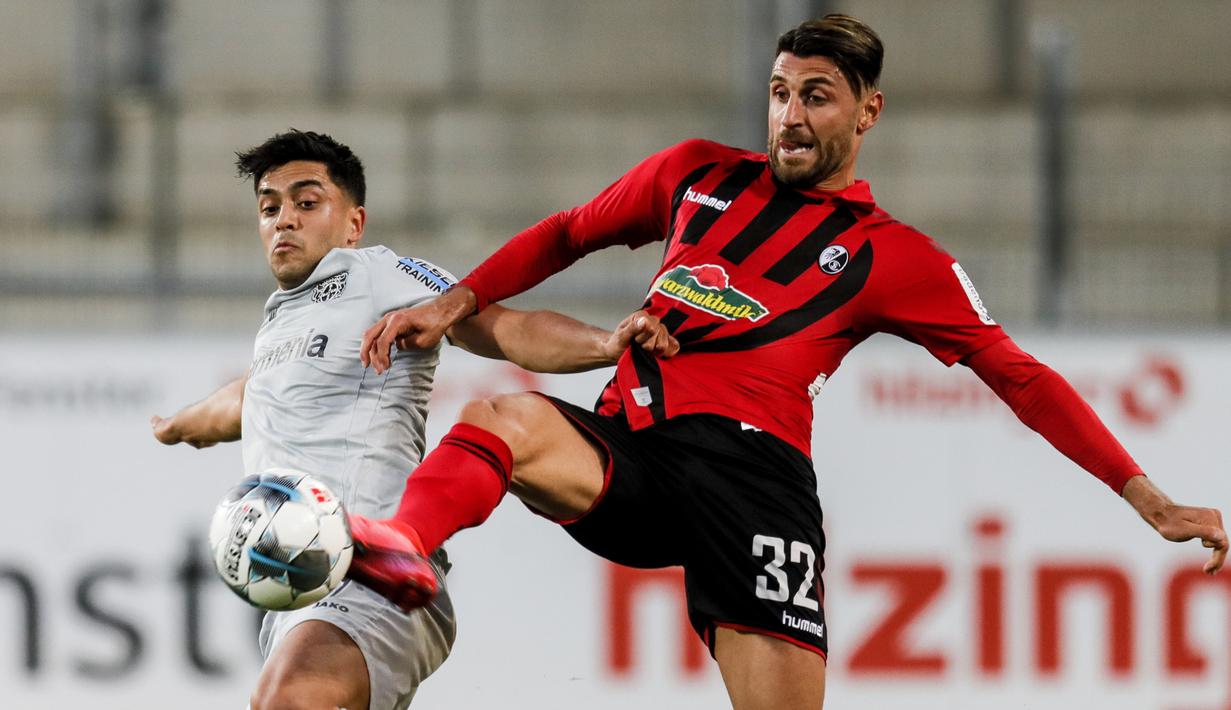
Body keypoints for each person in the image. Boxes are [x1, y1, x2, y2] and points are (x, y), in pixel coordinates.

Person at [345, 15, 1228, 710]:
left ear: (866, 111)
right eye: (778, 93)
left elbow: (1019, 377)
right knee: (503, 416)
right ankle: (403, 549)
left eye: (816, 96)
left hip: (752, 485)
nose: (790, 116)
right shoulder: (695, 175)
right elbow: (570, 232)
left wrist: (1147, 498)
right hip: (635, 451)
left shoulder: (897, 258)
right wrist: (451, 303)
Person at [150, 130, 677, 710]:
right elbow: (242, 401)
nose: (283, 220)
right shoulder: (279, 324)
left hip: (373, 572)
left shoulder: (380, 275)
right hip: (301, 596)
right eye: (269, 207)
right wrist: (178, 425)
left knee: (289, 700)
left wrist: (607, 343)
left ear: (354, 224)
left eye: (306, 202)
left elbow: (502, 327)